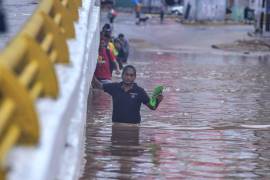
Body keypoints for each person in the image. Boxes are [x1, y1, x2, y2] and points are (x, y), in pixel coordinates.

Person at [92, 65, 163, 124]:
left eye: (131, 75)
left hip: (133, 127)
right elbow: (97, 85)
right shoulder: (115, 87)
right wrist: (90, 72)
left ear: (135, 77)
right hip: (117, 126)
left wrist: (158, 100)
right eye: (126, 74)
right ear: (122, 75)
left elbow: (152, 107)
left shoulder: (139, 91)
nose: (128, 77)